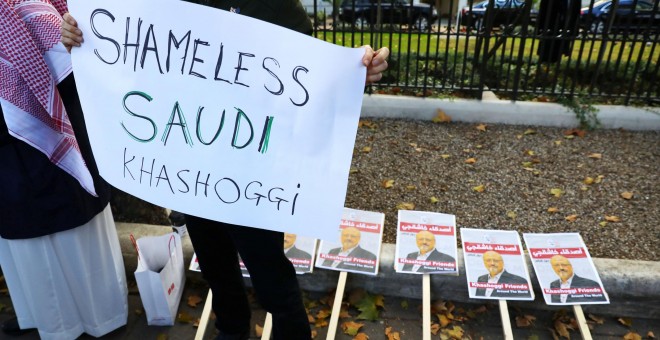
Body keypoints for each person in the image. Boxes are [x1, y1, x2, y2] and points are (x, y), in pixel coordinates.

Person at [61, 1, 389, 339]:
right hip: (193, 166)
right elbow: (131, 44)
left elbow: (308, 71)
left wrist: (354, 69)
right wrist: (80, 35)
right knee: (214, 263)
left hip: (252, 175)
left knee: (269, 270)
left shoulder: (277, 7)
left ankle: (292, 332)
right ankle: (232, 329)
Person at [0, 1, 128, 339]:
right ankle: (42, 318)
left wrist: (64, 30)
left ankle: (100, 319)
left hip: (52, 100)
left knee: (74, 215)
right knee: (18, 228)